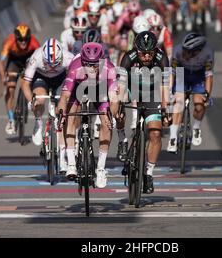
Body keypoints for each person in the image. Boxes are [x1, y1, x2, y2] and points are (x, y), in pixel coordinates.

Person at [56, 42, 118, 188]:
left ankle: (101, 169)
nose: (91, 68)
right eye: (88, 65)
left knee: (106, 121)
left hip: (99, 89)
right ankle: (71, 163)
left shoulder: (109, 69)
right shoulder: (75, 67)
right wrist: (61, 113)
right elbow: (64, 96)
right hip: (78, 87)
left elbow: (114, 100)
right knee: (69, 116)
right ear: (82, 62)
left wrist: (112, 115)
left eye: (95, 65)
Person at [116, 31, 171, 194]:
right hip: (131, 88)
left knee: (155, 133)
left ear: (155, 51)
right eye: (142, 53)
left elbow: (165, 86)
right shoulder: (128, 57)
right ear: (136, 51)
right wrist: (120, 103)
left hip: (152, 92)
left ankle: (148, 173)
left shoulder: (162, 59)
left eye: (149, 53)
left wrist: (165, 107)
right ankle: (122, 139)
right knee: (116, 104)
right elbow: (121, 85)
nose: (146, 57)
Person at [22, 38, 74, 172]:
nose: (51, 67)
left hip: (61, 79)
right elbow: (25, 84)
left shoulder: (69, 58)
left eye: (56, 64)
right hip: (41, 78)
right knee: (39, 99)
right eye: (48, 64)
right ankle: (38, 123)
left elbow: (76, 80)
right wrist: (31, 101)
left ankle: (63, 158)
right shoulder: (36, 57)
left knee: (62, 115)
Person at [168, 33, 214, 152]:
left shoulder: (208, 53)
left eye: (187, 51)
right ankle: (173, 137)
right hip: (181, 73)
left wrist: (207, 95)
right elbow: (172, 73)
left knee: (200, 104)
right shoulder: (177, 51)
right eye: (184, 49)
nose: (184, 53)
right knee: (178, 103)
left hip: (198, 76)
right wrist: (169, 91)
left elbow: (209, 75)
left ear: (197, 51)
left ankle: (196, 127)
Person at [0, 24, 40, 135]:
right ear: (16, 38)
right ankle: (11, 119)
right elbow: (0, 62)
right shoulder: (9, 42)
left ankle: (24, 100)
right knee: (10, 88)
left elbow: (40, 58)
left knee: (25, 82)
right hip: (14, 62)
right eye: (20, 40)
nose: (23, 42)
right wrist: (3, 77)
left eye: (26, 39)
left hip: (28, 60)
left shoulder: (34, 43)